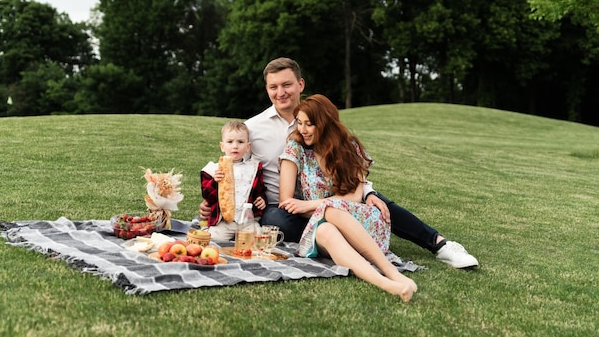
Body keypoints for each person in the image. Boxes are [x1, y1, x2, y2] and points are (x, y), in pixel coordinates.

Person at [200, 57, 478, 269]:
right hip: (284, 207)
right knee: (275, 221)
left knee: (379, 202)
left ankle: (440, 244)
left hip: (332, 197)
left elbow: (343, 161)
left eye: (286, 84)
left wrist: (366, 192)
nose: (280, 92)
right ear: (267, 89)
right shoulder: (253, 128)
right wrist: (211, 198)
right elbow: (231, 165)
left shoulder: (318, 118)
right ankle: (351, 243)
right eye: (273, 87)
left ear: (301, 84)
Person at [278, 94, 417, 301]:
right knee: (325, 229)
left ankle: (390, 271)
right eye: (299, 123)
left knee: (332, 210)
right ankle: (389, 284)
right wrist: (321, 208)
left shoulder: (349, 146)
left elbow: (354, 196)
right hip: (320, 225)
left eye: (309, 124)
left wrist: (314, 205)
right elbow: (287, 201)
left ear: (324, 124)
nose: (302, 130)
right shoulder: (296, 148)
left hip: (359, 221)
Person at [200, 121, 267, 240]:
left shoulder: (254, 168)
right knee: (214, 239)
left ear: (248, 147)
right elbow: (207, 196)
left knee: (259, 238)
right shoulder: (213, 170)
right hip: (224, 222)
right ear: (222, 146)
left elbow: (260, 190)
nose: (235, 146)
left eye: (240, 142)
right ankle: (207, 229)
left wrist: (262, 199)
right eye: (230, 142)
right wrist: (215, 182)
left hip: (247, 220)